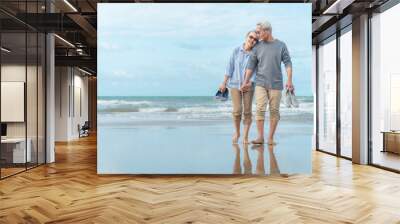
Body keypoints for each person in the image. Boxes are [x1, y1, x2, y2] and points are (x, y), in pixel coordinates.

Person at [241, 20, 293, 145]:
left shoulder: (281, 45)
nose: (258, 35)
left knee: (274, 111)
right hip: (260, 83)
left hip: (276, 84)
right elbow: (250, 66)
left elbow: (288, 63)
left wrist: (289, 80)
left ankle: (270, 138)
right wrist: (245, 81)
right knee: (260, 109)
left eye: (259, 32)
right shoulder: (257, 47)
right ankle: (260, 137)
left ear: (267, 31)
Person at [219, 31, 258, 144]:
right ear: (246, 37)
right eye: (251, 37)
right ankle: (237, 132)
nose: (252, 40)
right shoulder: (236, 51)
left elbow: (256, 70)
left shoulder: (255, 54)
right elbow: (229, 67)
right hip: (235, 85)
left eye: (255, 40)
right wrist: (224, 82)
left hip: (249, 86)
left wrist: (250, 82)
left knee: (247, 112)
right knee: (237, 111)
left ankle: (245, 137)